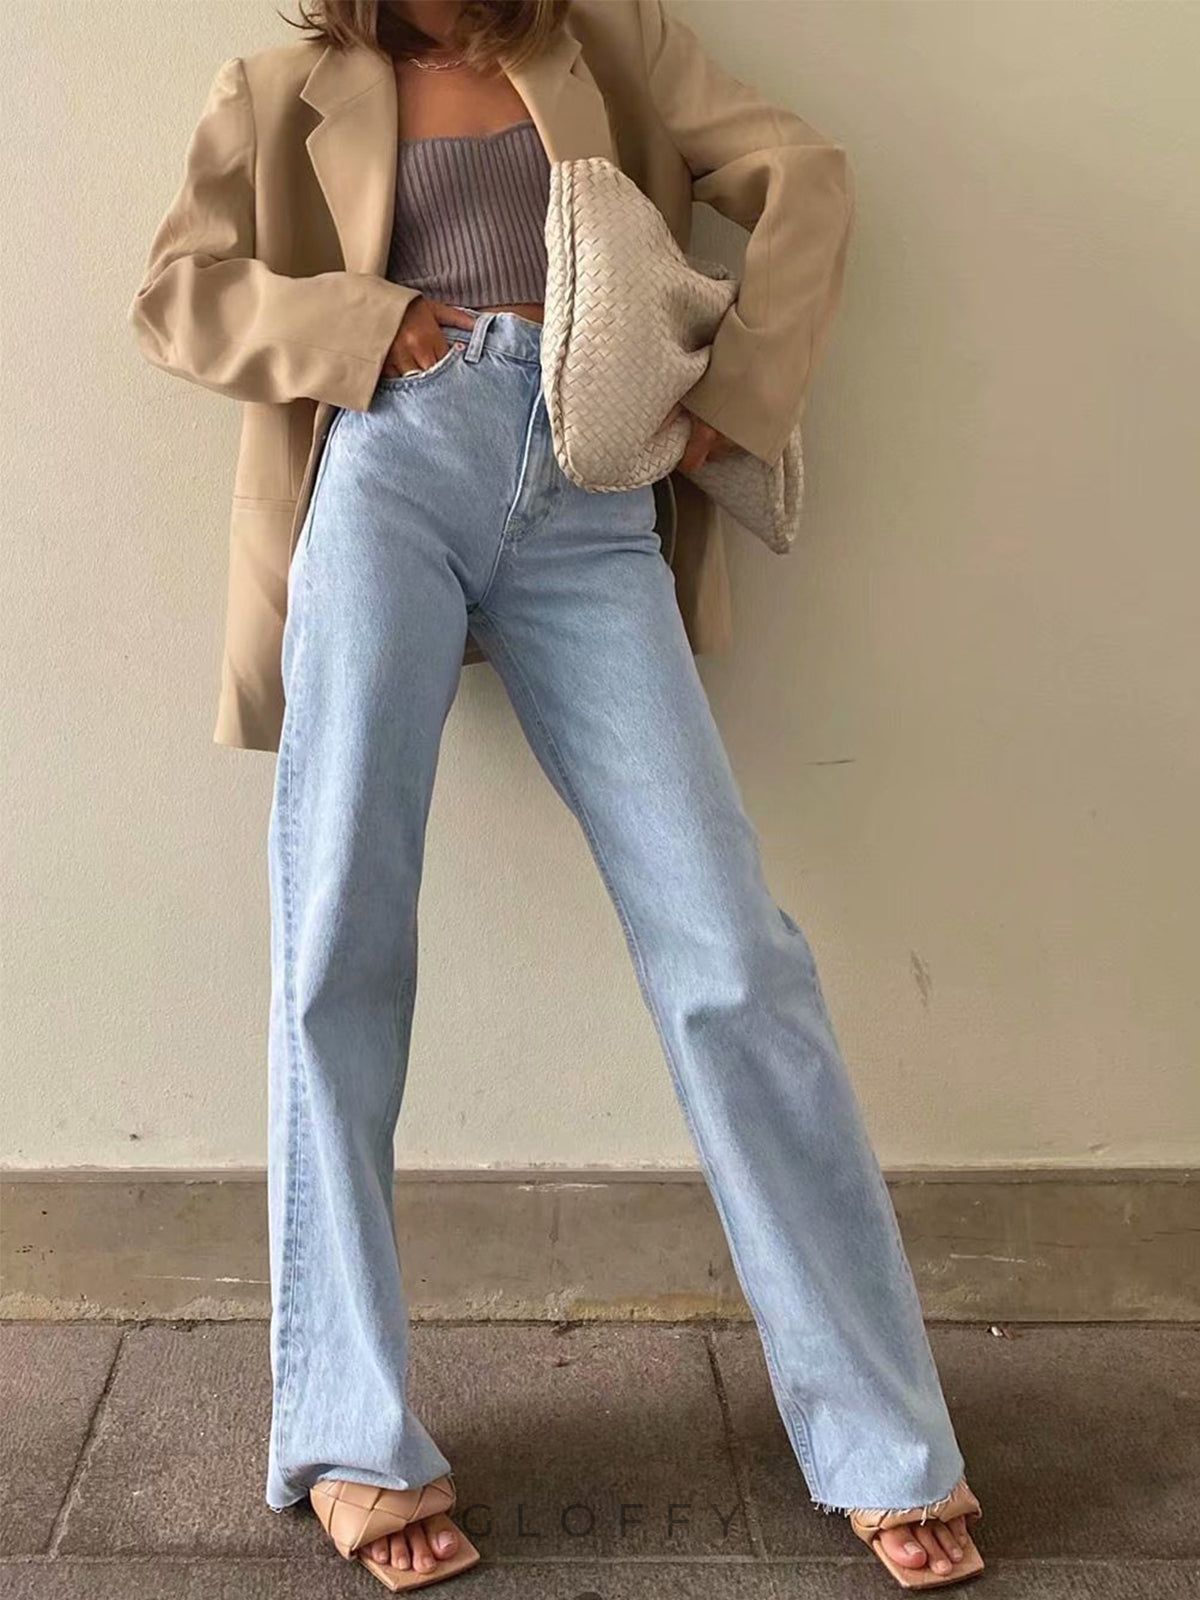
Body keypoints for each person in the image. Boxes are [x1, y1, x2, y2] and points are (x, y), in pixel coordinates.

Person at [129, 0, 984, 1590]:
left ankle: (884, 1437)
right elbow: (177, 292)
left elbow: (805, 174)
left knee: (732, 955)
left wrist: (738, 395)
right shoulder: (279, 87)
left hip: (590, 489)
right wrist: (369, 325)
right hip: (386, 469)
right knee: (338, 937)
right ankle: (352, 1437)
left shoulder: (612, 41)